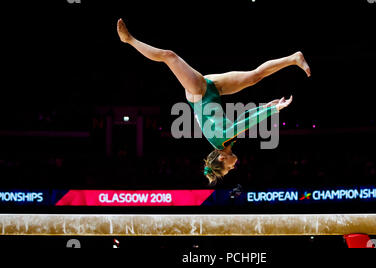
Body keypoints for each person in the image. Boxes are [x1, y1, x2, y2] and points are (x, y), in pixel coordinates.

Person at [117, 18, 311, 185]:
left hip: (199, 92)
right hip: (214, 91)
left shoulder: (220, 138)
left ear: (221, 158)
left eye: (227, 168)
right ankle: (294, 58)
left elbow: (244, 124)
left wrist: (274, 110)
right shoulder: (228, 141)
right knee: (254, 77)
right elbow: (243, 119)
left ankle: (129, 40)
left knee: (169, 56)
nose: (232, 168)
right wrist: (266, 106)